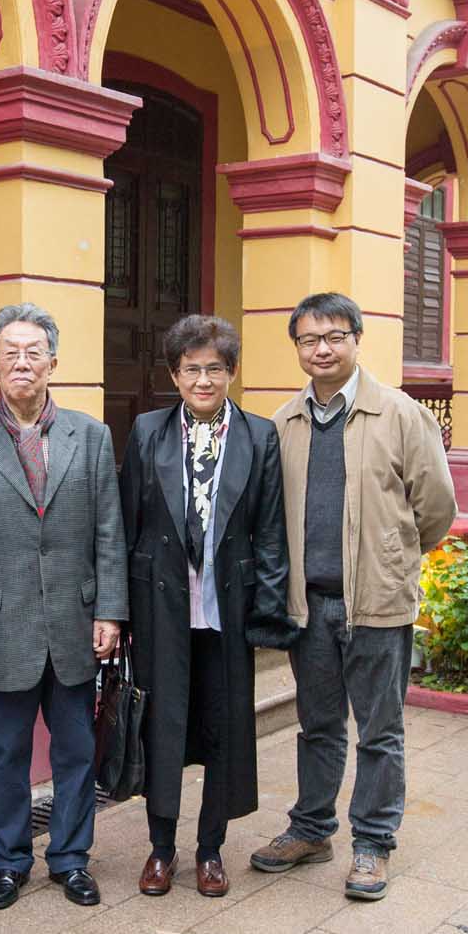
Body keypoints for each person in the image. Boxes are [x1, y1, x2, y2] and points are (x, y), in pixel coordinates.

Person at [252, 292, 456, 901]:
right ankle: (311, 829)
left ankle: (373, 841)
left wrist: (391, 559)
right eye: (309, 339)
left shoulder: (399, 414)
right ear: (297, 348)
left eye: (334, 336)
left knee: (379, 731)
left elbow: (436, 508)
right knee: (317, 726)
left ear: (356, 340)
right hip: (308, 606)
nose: (322, 348)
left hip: (375, 603)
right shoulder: (284, 423)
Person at [0, 303, 127, 910]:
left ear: (53, 361)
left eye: (34, 352)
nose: (22, 363)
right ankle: (8, 862)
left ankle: (71, 859)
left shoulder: (91, 436)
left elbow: (109, 532)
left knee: (76, 750)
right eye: (10, 352)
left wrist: (110, 612)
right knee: (3, 754)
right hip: (1, 627)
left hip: (76, 623)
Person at [120, 314, 295, 899]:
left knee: (224, 729)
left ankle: (211, 848)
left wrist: (268, 611)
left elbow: (271, 532)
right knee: (163, 728)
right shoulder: (147, 431)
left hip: (228, 613)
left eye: (214, 369)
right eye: (191, 369)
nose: (203, 380)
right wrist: (119, 612)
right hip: (160, 608)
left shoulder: (259, 436)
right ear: (174, 374)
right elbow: (127, 523)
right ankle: (161, 847)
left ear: (231, 373)